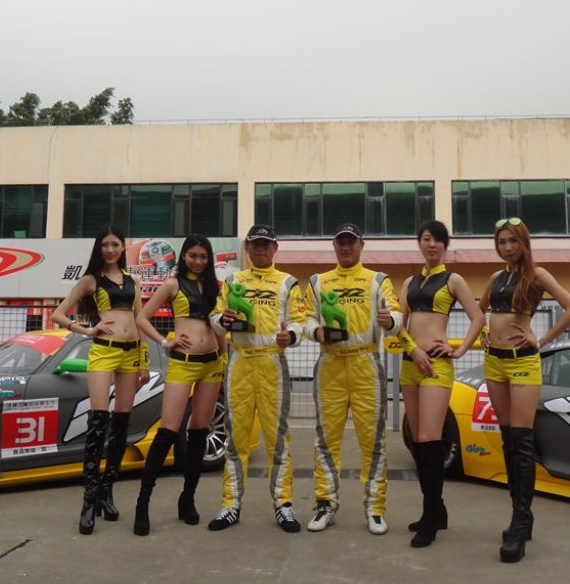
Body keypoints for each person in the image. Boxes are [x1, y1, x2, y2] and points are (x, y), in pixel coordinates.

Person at [479, 217, 570, 562]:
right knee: (508, 441)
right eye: (502, 242)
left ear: (524, 243)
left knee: (522, 443)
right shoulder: (496, 278)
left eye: (513, 241)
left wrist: (542, 339)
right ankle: (521, 513)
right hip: (494, 362)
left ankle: (520, 523)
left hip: (522, 362)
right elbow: (480, 311)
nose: (507, 247)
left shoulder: (537, 275)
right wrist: (484, 333)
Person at [207, 224, 307, 533]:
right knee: (236, 439)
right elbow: (215, 318)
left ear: (275, 248)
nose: (260, 249)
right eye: (255, 244)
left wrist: (291, 335)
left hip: (272, 363)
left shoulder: (288, 282)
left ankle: (283, 505)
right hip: (239, 362)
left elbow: (300, 321)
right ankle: (230, 505)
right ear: (247, 248)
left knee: (278, 438)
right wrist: (222, 321)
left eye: (265, 244)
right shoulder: (233, 280)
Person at [304, 222, 403, 535]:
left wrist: (391, 320)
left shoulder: (378, 280)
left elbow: (397, 316)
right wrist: (316, 332)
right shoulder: (318, 281)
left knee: (373, 441)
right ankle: (325, 504)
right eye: (341, 242)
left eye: (351, 242)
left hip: (366, 363)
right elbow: (306, 318)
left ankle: (375, 508)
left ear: (361, 245)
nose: (346, 247)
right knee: (325, 440)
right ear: (334, 246)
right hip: (330, 365)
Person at [51, 227, 150, 535]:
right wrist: (87, 330)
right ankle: (89, 500)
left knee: (121, 425)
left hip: (130, 355)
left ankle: (107, 492)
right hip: (103, 353)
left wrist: (144, 362)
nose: (109, 249)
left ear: (123, 247)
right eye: (105, 244)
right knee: (98, 422)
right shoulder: (90, 280)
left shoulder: (133, 280)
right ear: (99, 248)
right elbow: (58, 314)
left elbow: (140, 321)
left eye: (115, 244)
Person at [397, 220, 486, 548]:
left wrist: (460, 349)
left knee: (429, 439)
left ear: (445, 245)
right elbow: (399, 324)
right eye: (426, 239)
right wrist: (413, 349)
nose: (431, 244)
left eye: (437, 240)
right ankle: (437, 509)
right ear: (419, 243)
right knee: (417, 442)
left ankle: (431, 516)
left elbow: (479, 317)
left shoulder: (454, 280)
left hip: (436, 365)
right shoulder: (409, 282)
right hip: (410, 363)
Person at [134, 234, 224, 536]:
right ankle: (143, 504)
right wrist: (165, 342)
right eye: (193, 255)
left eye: (203, 256)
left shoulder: (215, 287)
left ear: (209, 259)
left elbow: (219, 329)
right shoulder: (173, 285)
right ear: (183, 256)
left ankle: (188, 499)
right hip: (182, 364)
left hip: (212, 364)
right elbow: (142, 318)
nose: (198, 261)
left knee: (199, 431)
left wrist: (225, 360)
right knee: (168, 431)